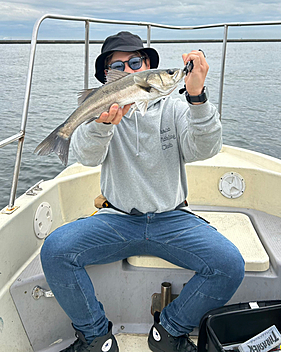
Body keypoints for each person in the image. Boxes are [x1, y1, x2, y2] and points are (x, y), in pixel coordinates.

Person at [40, 31, 245, 352]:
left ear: (148, 65)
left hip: (173, 219)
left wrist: (197, 97)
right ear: (108, 77)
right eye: (118, 66)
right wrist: (101, 125)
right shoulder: (103, 112)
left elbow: (206, 148)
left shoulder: (175, 110)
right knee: (55, 252)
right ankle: (95, 337)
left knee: (230, 264)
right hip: (116, 221)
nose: (129, 70)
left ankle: (170, 330)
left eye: (135, 62)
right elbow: (87, 157)